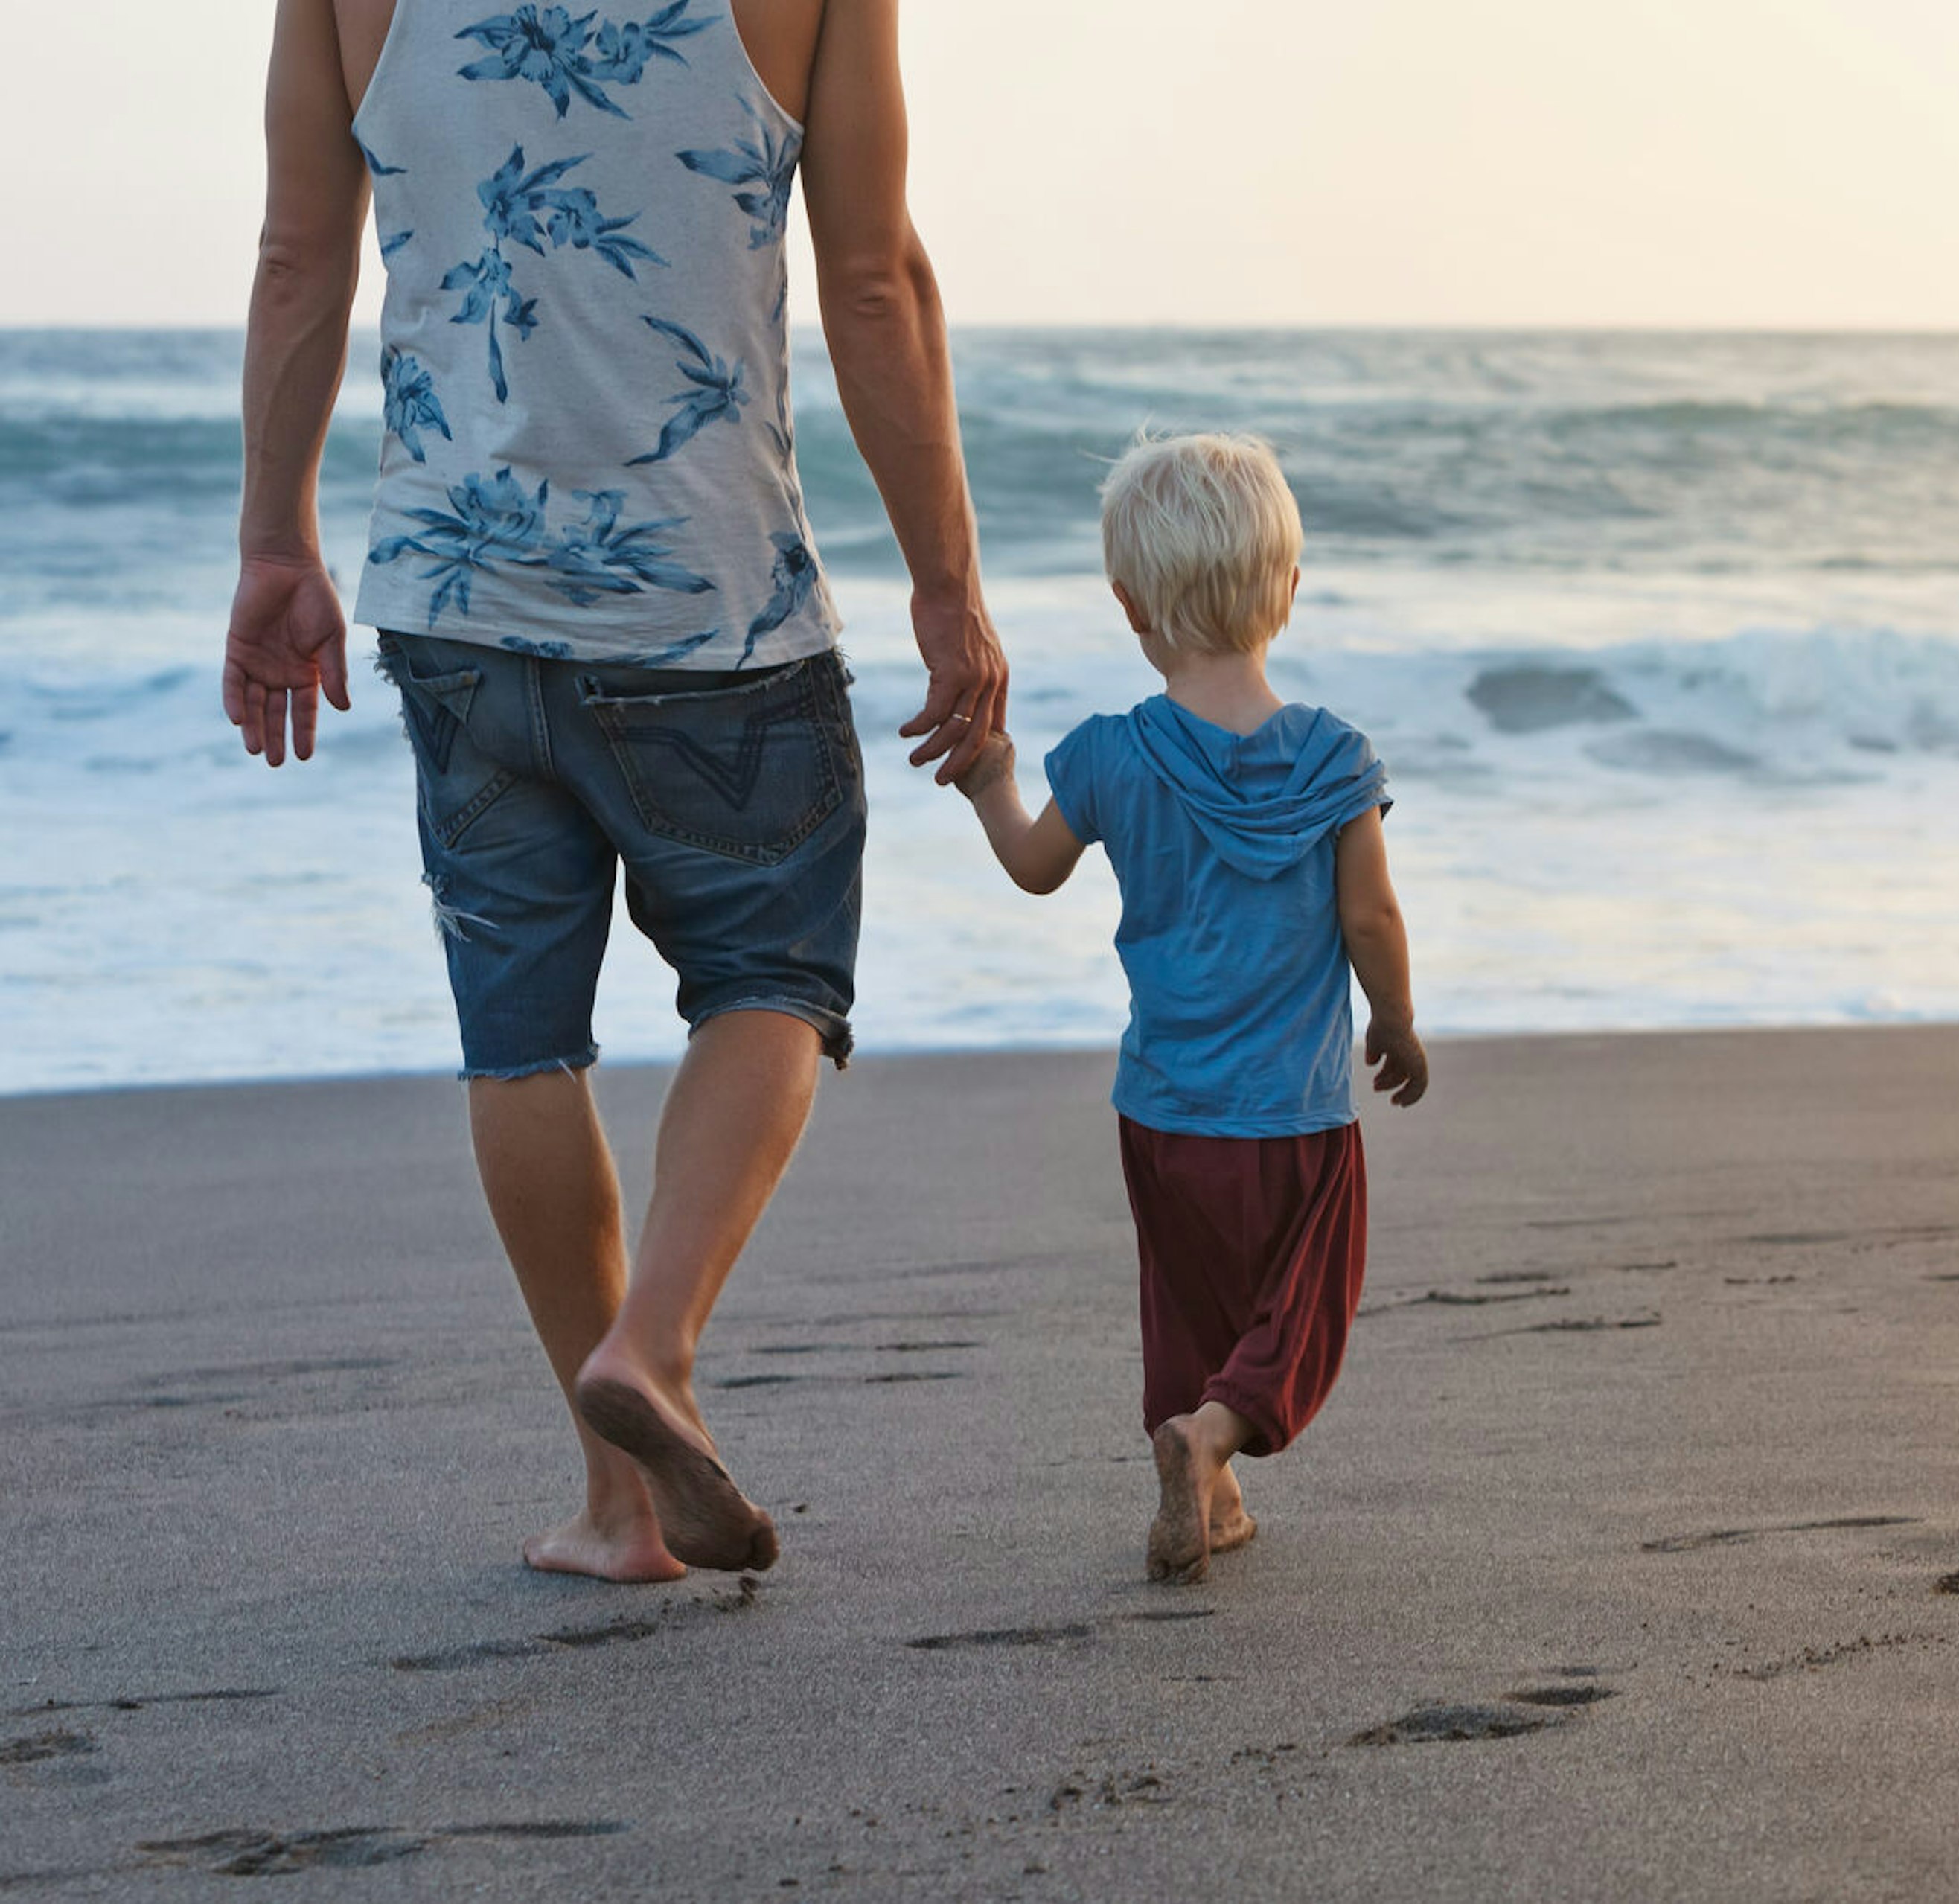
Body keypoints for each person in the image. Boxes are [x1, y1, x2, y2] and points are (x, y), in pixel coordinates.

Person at [223, 0, 1006, 1580]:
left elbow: (299, 260)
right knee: (771, 977)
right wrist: (946, 584)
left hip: (452, 605)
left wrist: (273, 541)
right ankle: (653, 1347)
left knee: (521, 1038)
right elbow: (874, 276)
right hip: (712, 605)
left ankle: (616, 1505)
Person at [953, 432, 1427, 1583]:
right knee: (1299, 1309)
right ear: (1290, 591)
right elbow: (1371, 919)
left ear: (1130, 606)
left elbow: (1032, 864)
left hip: (1163, 1113)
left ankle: (1203, 1486)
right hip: (1295, 1119)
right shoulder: (1334, 763)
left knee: (1188, 1305)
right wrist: (1397, 1021)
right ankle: (1215, 1438)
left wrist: (990, 781)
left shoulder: (1115, 756)